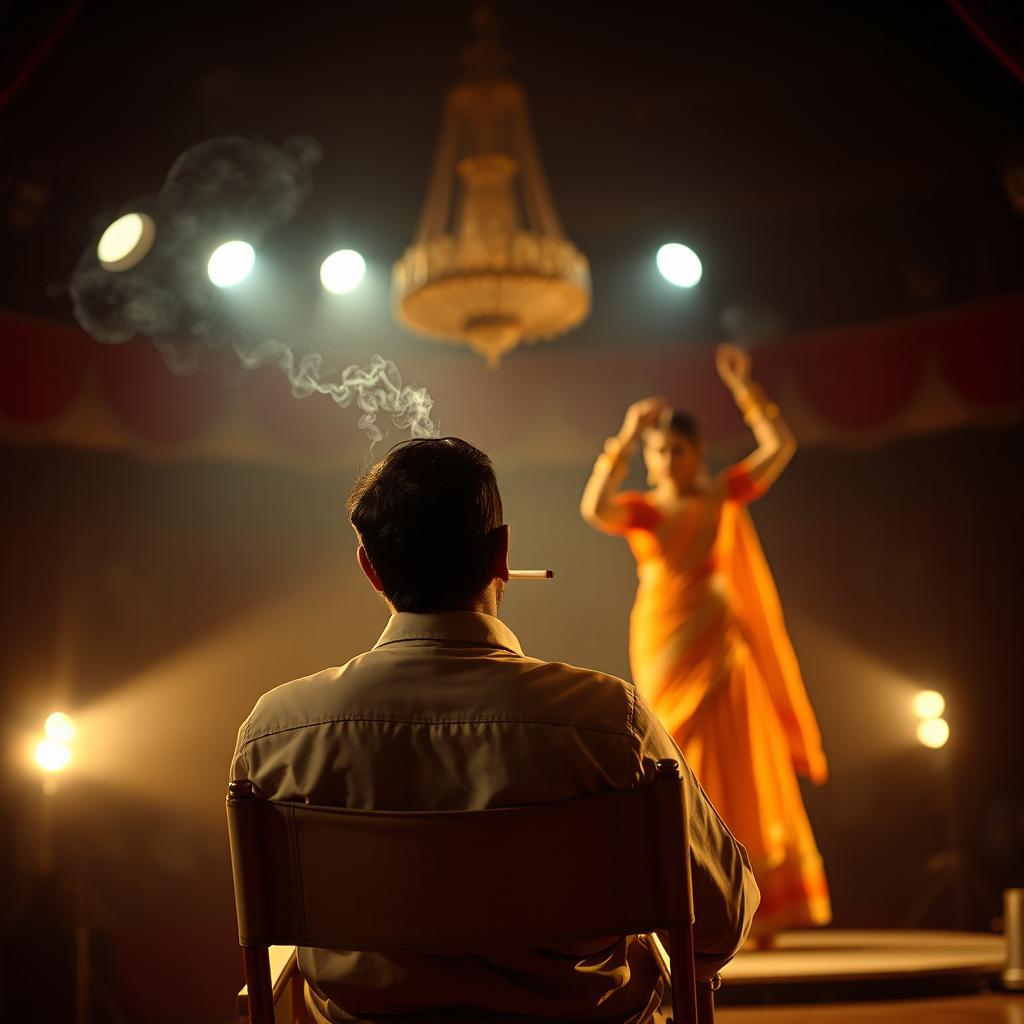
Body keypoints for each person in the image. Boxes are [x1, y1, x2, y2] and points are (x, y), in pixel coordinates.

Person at [232, 437, 758, 1024]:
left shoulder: (277, 733)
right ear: (501, 552)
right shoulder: (611, 725)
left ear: (370, 567)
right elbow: (721, 923)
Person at [580, 344, 831, 944]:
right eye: (659, 451)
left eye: (678, 450)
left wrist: (747, 392)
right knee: (673, 761)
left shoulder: (720, 495)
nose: (668, 460)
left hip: (723, 648)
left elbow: (780, 448)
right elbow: (593, 508)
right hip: (664, 643)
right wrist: (622, 437)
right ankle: (682, 893)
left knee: (736, 761)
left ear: (697, 453)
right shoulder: (642, 510)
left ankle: (753, 902)